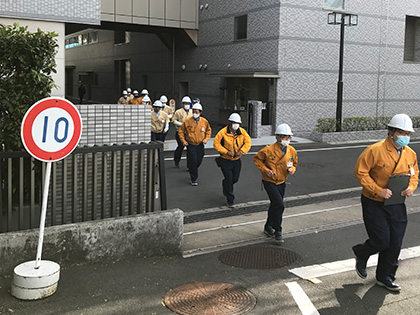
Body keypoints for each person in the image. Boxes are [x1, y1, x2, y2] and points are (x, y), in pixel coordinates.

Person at [352, 113, 419, 292]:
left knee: (395, 241)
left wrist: (411, 188)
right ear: (391, 132)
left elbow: (414, 175)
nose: (406, 137)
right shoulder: (375, 150)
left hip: (397, 202)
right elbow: (361, 172)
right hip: (374, 201)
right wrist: (378, 190)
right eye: (402, 132)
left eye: (408, 133)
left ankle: (385, 276)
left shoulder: (410, 154)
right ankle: (362, 252)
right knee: (382, 240)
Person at [253, 124, 298, 243]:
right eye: (284, 137)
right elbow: (257, 159)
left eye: (288, 137)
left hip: (282, 181)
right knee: (279, 204)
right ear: (277, 137)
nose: (286, 140)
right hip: (269, 181)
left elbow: (294, 163)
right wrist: (266, 170)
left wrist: (292, 170)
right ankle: (278, 230)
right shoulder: (268, 150)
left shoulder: (291, 151)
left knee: (275, 205)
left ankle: (268, 227)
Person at [214, 113, 251, 207]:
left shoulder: (242, 132)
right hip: (225, 160)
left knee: (235, 179)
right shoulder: (223, 132)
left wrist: (242, 151)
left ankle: (225, 184)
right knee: (229, 179)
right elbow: (216, 143)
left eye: (238, 123)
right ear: (230, 123)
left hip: (236, 160)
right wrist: (226, 152)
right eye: (234, 122)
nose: (236, 125)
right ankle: (230, 200)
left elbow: (248, 142)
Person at [178, 103, 211, 186]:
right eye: (193, 111)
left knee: (199, 160)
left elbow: (208, 131)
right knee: (193, 160)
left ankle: (191, 167)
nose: (194, 113)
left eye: (196, 112)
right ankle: (194, 178)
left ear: (200, 112)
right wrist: (183, 141)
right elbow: (181, 131)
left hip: (200, 144)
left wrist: (206, 139)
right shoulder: (187, 121)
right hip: (191, 144)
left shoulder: (204, 121)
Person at [172, 96, 193, 168]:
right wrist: (181, 124)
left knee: (190, 149)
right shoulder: (178, 111)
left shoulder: (192, 111)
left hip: (189, 133)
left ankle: (189, 165)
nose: (187, 105)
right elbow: (174, 121)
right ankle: (176, 160)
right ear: (183, 104)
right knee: (180, 147)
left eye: (188, 103)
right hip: (180, 132)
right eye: (185, 103)